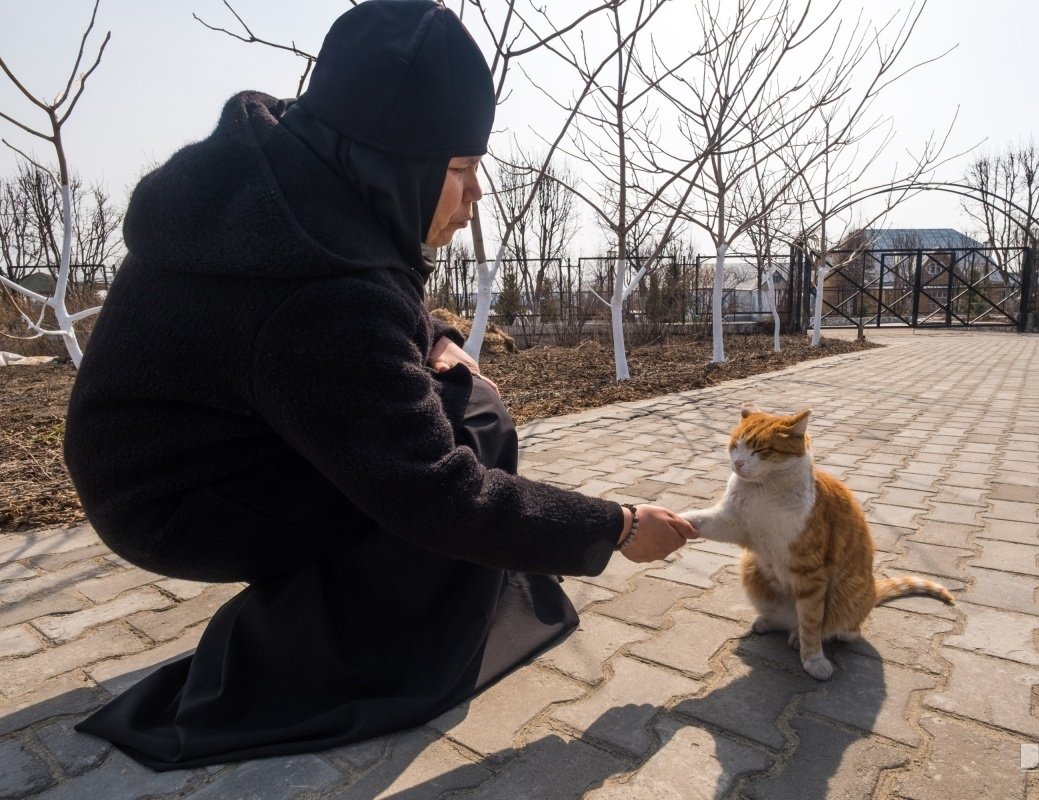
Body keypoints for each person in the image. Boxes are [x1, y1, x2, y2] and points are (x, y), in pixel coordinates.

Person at [63, 0, 696, 770]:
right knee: (458, 441)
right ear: (393, 163)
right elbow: (435, 488)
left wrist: (438, 338)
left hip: (194, 454)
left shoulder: (287, 187)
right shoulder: (317, 294)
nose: (476, 194)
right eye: (459, 169)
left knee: (469, 403)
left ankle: (413, 605)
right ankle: (359, 653)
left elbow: (374, 293)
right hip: (175, 503)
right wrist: (615, 527)